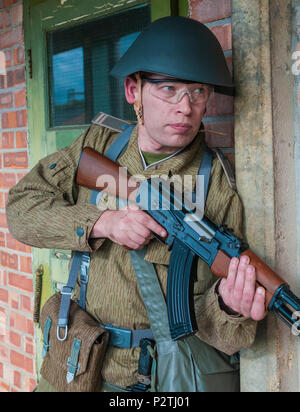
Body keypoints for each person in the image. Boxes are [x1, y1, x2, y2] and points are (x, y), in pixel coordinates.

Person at [6, 16, 266, 392]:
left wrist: (229, 306)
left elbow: (219, 333)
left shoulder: (217, 185)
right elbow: (20, 210)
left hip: (154, 379)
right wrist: (101, 223)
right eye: (169, 89)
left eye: (198, 91)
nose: (185, 107)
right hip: (75, 367)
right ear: (133, 90)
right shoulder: (98, 145)